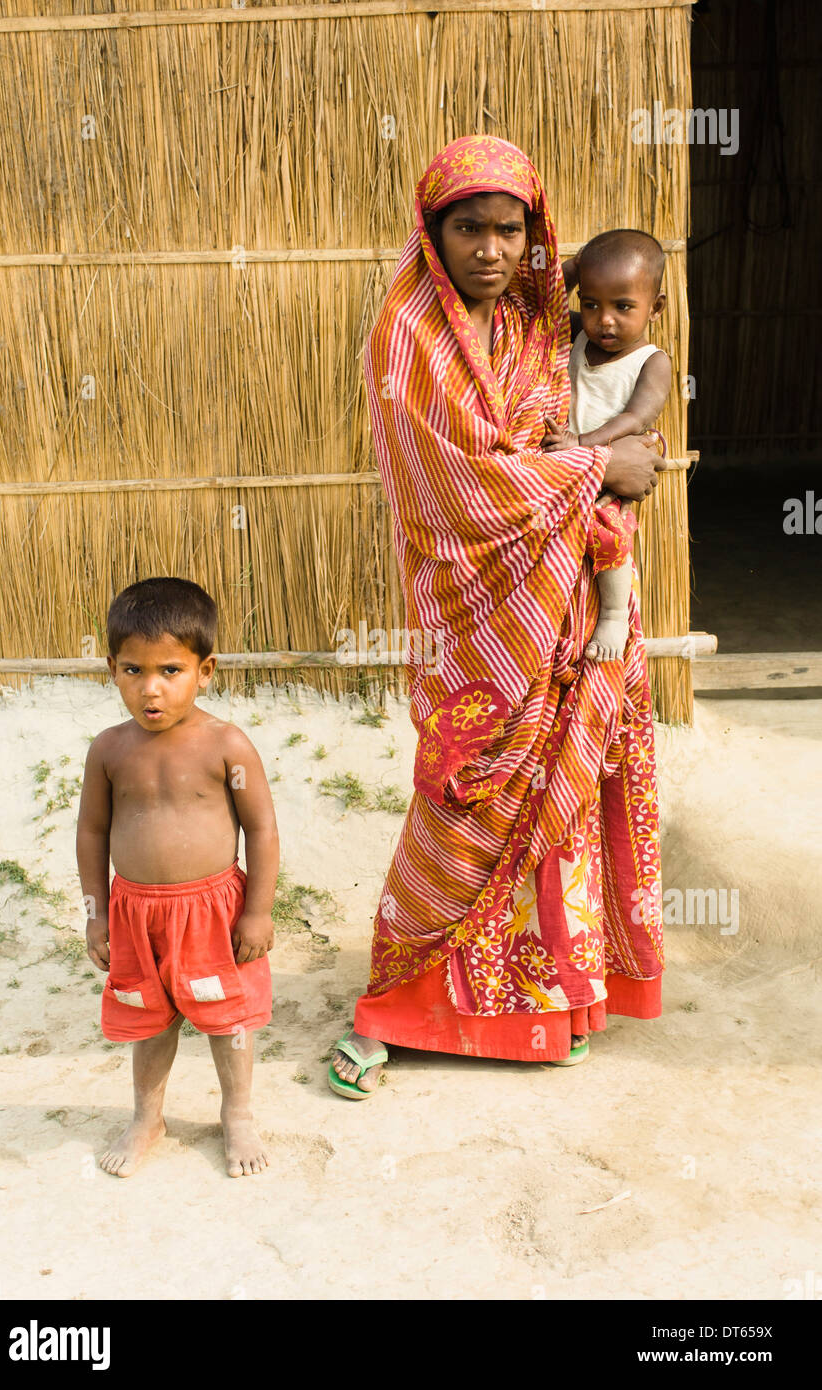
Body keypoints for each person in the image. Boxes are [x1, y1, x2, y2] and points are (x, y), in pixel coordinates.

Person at [329, 135, 665, 1099]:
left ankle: (552, 998)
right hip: (471, 618)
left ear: (533, 236)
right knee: (464, 795)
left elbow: (619, 375)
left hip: (566, 603)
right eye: (467, 227)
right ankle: (404, 1006)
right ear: (431, 233)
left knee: (560, 795)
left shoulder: (537, 315)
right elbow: (450, 491)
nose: (489, 249)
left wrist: (598, 460)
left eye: (508, 229)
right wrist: (597, 466)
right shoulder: (411, 338)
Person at [76, 577, 279, 1175]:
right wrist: (95, 917)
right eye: (133, 671)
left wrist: (259, 911)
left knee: (228, 1019)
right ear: (111, 668)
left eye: (169, 669)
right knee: (148, 1017)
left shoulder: (226, 745)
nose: (150, 689)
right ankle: (147, 1116)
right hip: (135, 913)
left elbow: (262, 829)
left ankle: (236, 1114)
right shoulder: (109, 751)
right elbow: (91, 833)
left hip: (213, 911)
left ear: (206, 669)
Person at [541, 229, 672, 661]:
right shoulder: (580, 334)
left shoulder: (651, 361)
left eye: (623, 306)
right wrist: (575, 269)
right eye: (591, 303)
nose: (605, 319)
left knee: (611, 539)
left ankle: (613, 614)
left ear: (655, 308)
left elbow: (636, 418)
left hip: (609, 478)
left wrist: (584, 446)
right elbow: (543, 303)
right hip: (568, 471)